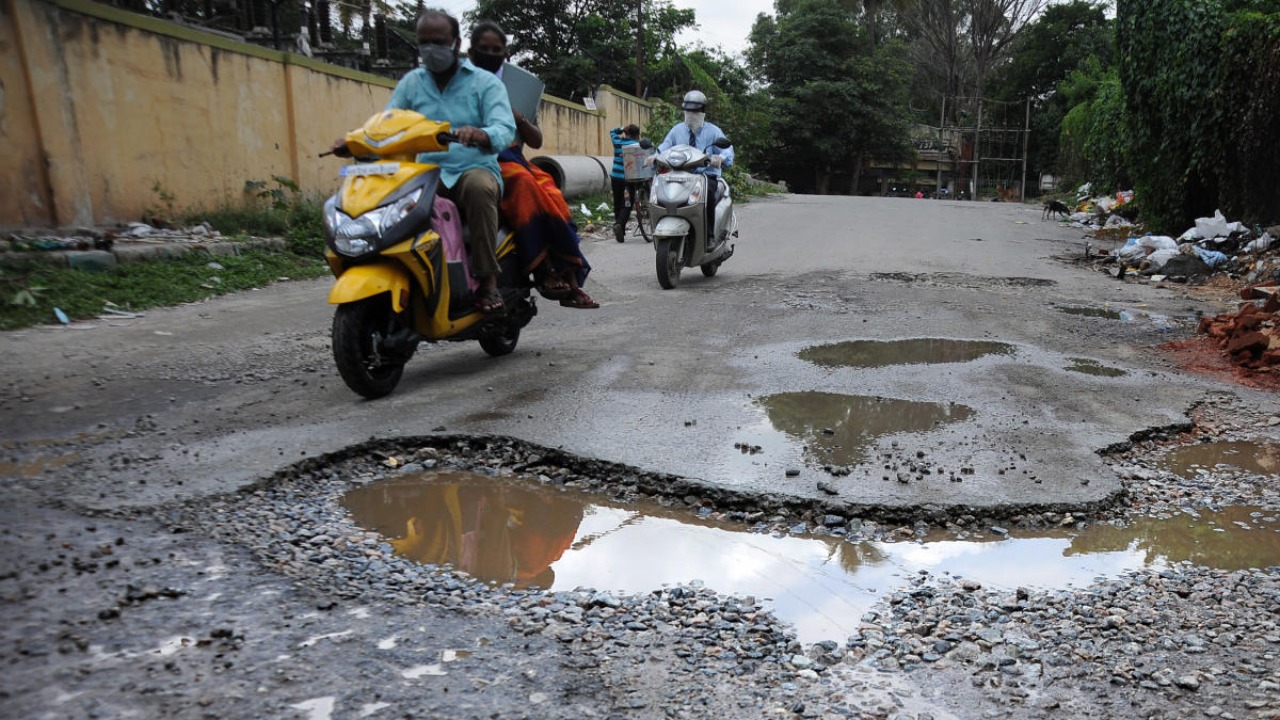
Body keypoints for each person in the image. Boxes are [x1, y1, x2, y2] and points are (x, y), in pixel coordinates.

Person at [334, 11, 515, 313]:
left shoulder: (485, 83)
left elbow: (504, 127)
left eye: (438, 42)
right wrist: (354, 139)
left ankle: (488, 280)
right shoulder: (411, 83)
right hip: (424, 173)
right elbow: (386, 123)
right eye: (424, 42)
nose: (431, 48)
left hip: (471, 169)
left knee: (479, 190)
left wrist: (481, 134)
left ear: (456, 43)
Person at [468, 22, 598, 309]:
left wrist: (520, 119)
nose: (490, 54)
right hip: (476, 157)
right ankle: (543, 270)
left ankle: (567, 277)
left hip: (512, 156)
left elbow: (536, 141)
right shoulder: (457, 85)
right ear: (470, 51)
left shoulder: (516, 88)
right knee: (525, 185)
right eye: (484, 49)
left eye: (496, 50)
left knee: (551, 192)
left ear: (505, 53)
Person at [657, 90, 734, 245]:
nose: (691, 114)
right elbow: (665, 146)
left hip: (705, 176)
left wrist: (720, 157)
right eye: (688, 110)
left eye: (695, 110)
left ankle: (710, 236)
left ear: (703, 111)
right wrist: (655, 155)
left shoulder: (714, 131)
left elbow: (727, 151)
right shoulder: (677, 130)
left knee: (708, 195)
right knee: (661, 193)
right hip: (679, 175)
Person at [609, 124, 641, 243]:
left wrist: (621, 129)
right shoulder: (637, 145)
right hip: (628, 180)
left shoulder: (617, 141)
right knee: (627, 204)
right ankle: (619, 224)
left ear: (626, 133)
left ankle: (620, 230)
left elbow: (612, 131)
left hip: (615, 177)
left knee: (617, 203)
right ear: (637, 135)